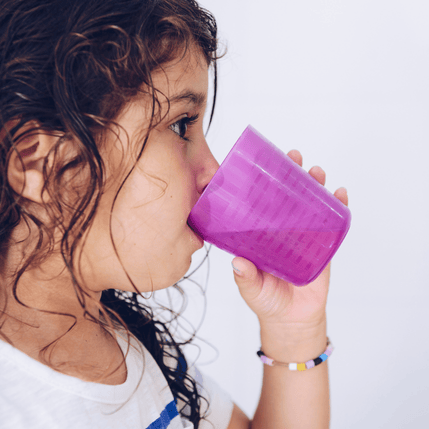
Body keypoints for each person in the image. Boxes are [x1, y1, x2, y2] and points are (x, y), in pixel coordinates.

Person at [0, 0, 348, 428]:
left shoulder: (124, 339)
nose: (214, 173)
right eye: (181, 125)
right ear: (43, 164)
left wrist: (295, 331)